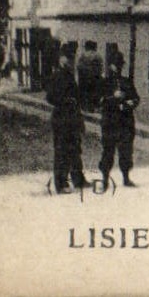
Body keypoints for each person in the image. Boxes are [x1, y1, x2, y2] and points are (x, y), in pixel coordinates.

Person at [47, 41, 87, 193]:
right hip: (61, 118)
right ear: (61, 59)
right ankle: (61, 184)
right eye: (69, 58)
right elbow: (50, 97)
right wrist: (65, 101)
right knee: (61, 151)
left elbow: (76, 96)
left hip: (72, 117)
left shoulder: (70, 75)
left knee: (75, 149)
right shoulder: (57, 76)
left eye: (72, 58)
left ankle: (78, 180)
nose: (71, 61)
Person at [99, 49, 140, 187]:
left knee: (126, 151)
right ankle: (105, 179)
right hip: (110, 121)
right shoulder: (104, 83)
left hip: (125, 122)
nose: (118, 67)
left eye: (120, 64)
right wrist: (113, 97)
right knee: (108, 150)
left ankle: (126, 178)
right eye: (116, 64)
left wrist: (130, 103)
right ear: (110, 65)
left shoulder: (127, 82)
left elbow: (136, 98)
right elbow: (100, 101)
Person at [76, 39, 104, 115]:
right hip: (94, 78)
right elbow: (100, 68)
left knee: (84, 93)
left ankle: (84, 107)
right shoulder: (98, 56)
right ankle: (92, 108)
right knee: (93, 93)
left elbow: (79, 67)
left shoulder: (83, 55)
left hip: (84, 78)